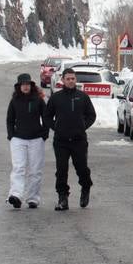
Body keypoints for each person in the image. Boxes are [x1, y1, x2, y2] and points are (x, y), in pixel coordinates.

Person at [43, 67, 97, 211]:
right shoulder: (56, 97)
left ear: (75, 80)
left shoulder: (83, 96)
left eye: (73, 78)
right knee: (61, 170)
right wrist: (56, 127)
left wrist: (82, 126)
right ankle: (62, 198)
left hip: (79, 140)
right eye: (68, 79)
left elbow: (91, 115)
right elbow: (47, 116)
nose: (71, 81)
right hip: (61, 141)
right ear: (63, 80)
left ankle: (86, 187)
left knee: (82, 169)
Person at [6, 72, 48, 209]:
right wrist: (11, 135)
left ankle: (33, 198)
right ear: (19, 87)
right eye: (22, 85)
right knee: (18, 168)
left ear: (31, 85)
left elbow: (46, 118)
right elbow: (10, 119)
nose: (25, 87)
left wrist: (44, 134)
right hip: (18, 139)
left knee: (35, 170)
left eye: (27, 84)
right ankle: (15, 195)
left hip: (36, 139)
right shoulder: (15, 101)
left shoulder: (38, 100)